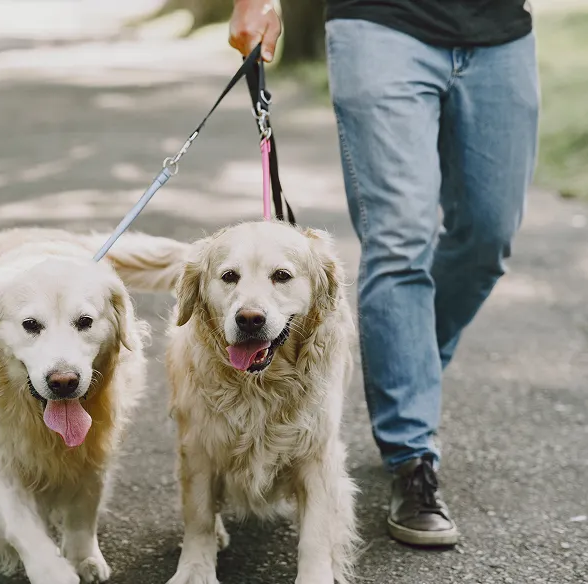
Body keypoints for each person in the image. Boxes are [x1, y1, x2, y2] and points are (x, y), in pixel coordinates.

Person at [228, 0, 539, 547]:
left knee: (488, 236)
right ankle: (411, 457)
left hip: (501, 29)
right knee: (399, 239)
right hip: (379, 21)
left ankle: (407, 358)